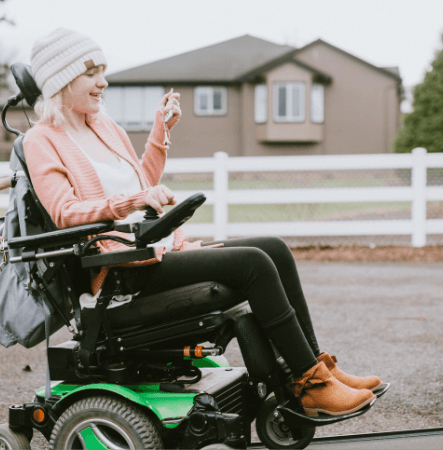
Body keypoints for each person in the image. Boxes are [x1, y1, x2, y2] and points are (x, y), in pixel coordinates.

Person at [22, 28, 384, 417]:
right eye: (91, 73)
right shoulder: (41, 139)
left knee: (273, 248)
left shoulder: (103, 126)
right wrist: (135, 200)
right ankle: (308, 384)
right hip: (121, 273)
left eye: (103, 71)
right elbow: (65, 213)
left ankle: (318, 367)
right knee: (253, 264)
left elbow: (143, 183)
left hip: (156, 251)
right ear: (61, 79)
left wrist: (160, 134)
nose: (103, 82)